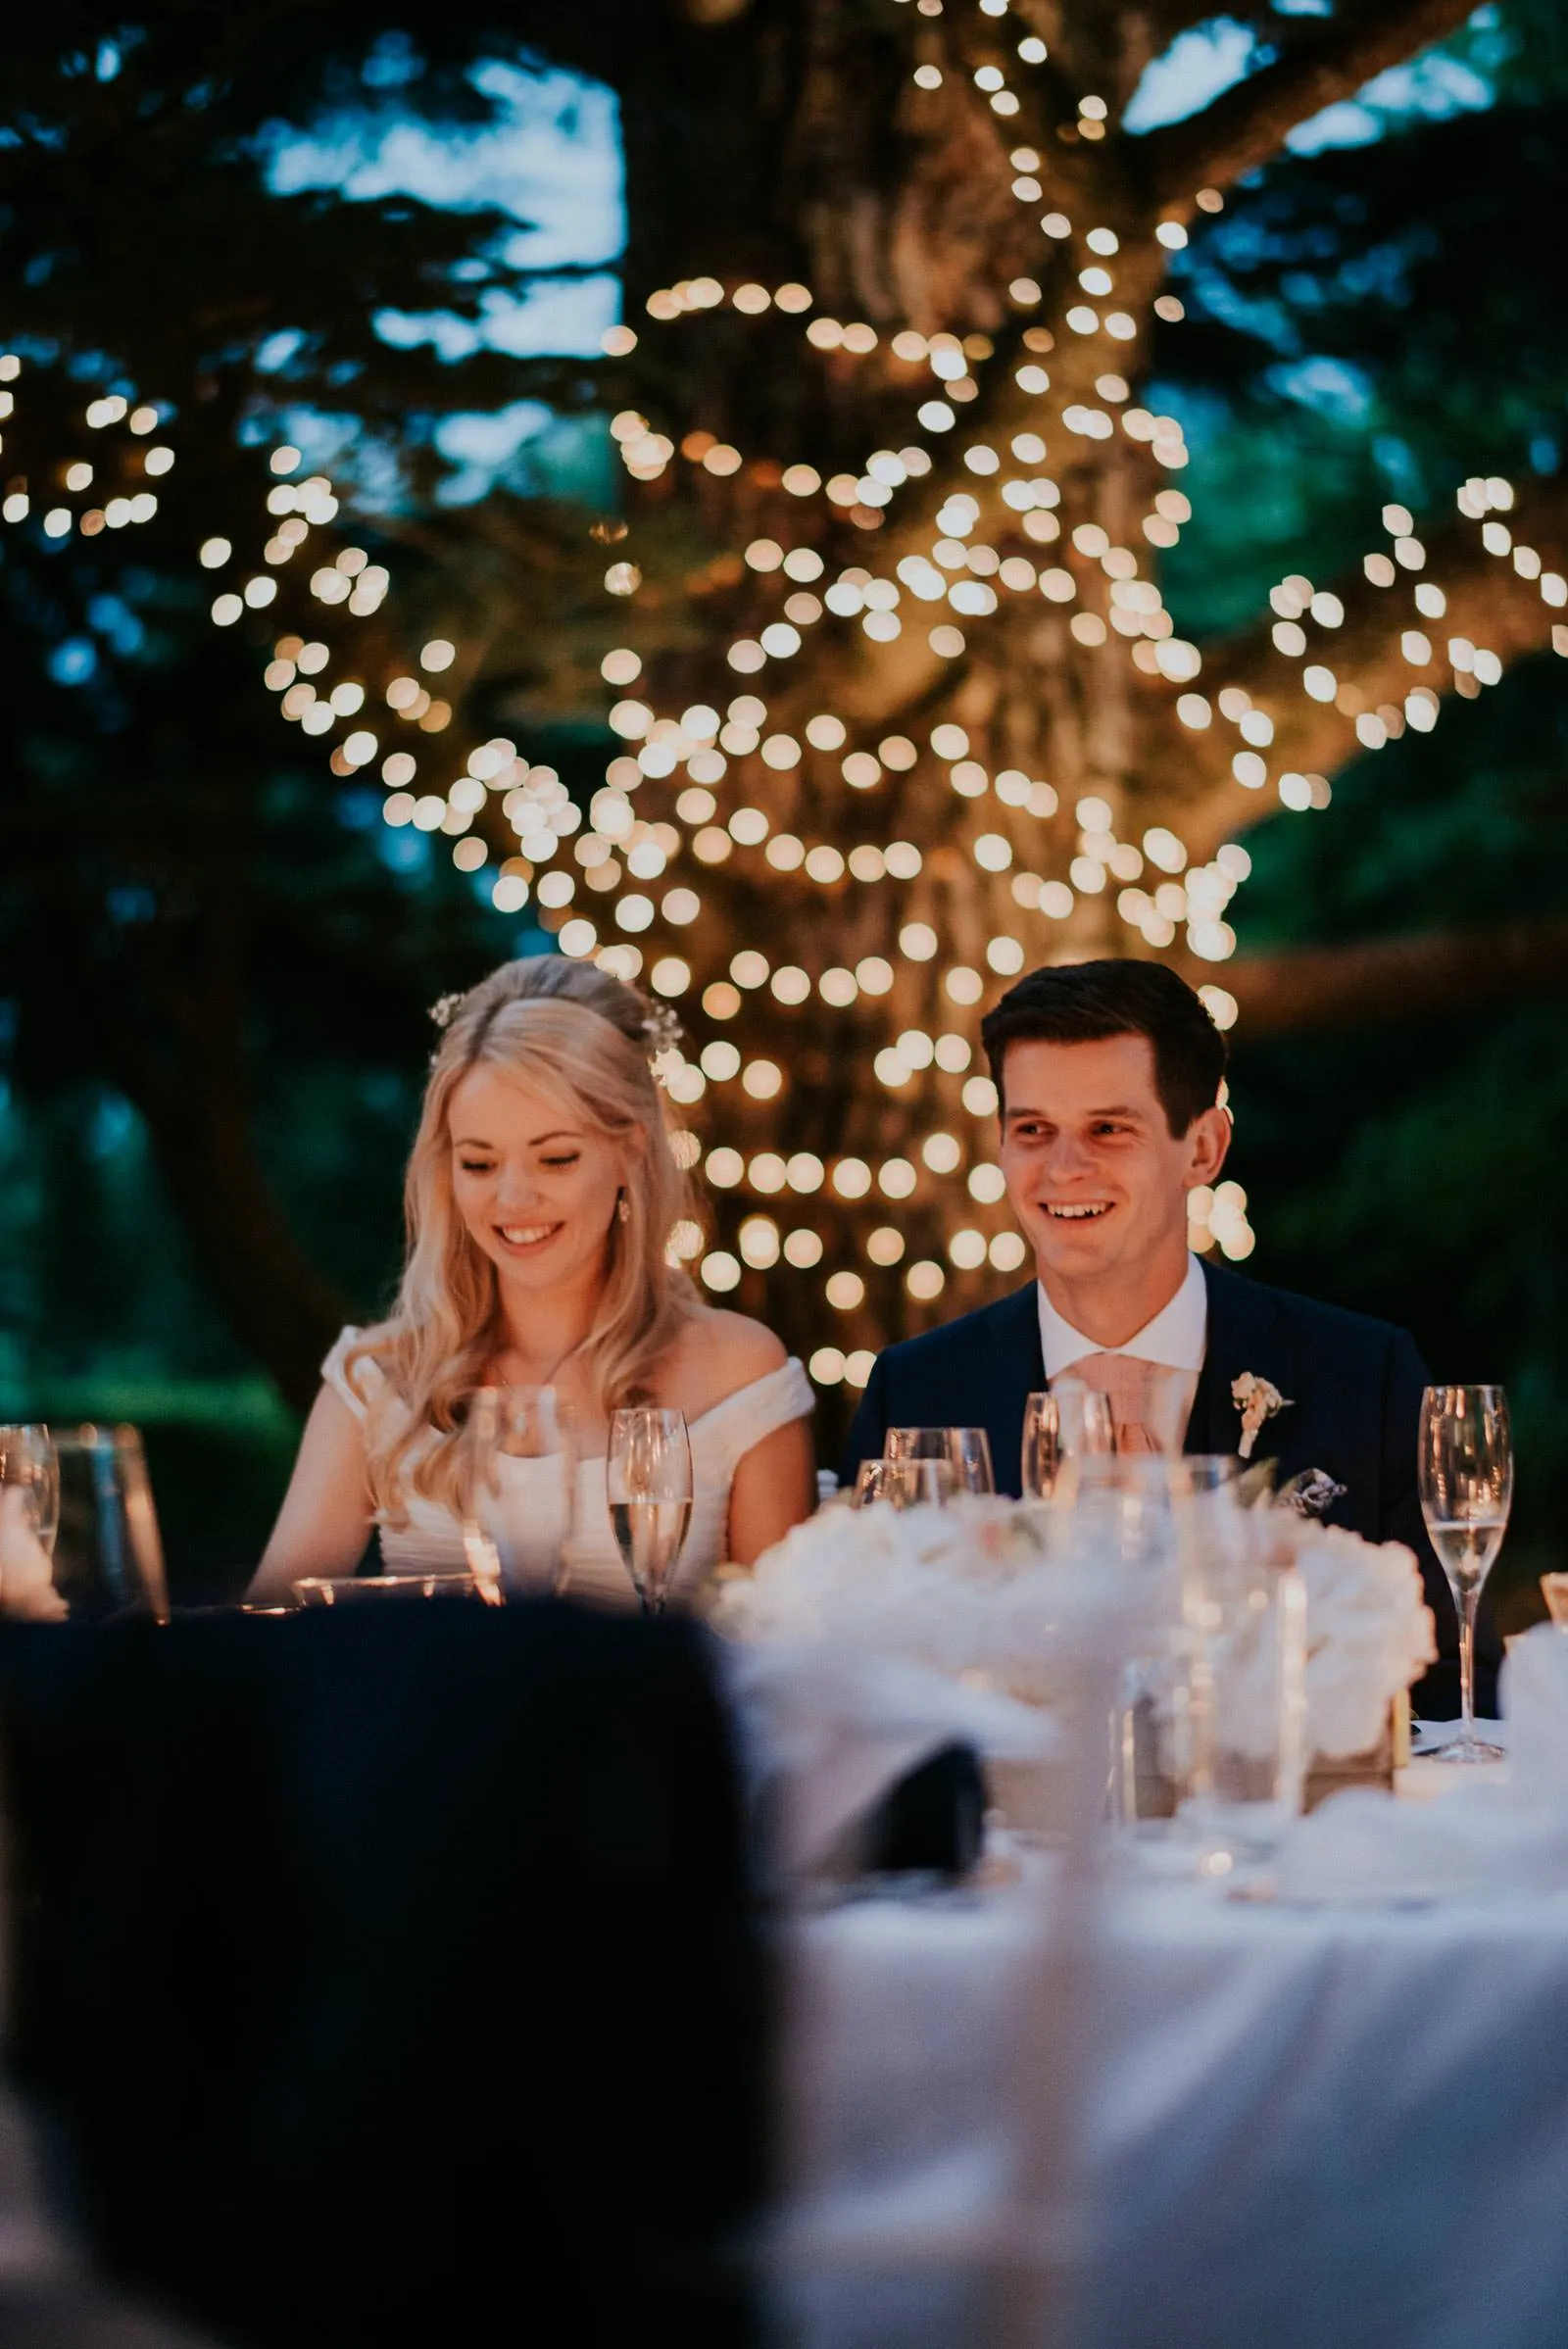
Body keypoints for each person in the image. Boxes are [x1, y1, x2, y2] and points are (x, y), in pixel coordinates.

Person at [844, 957, 1495, 1718]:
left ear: (1204, 1149)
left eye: (1108, 1129)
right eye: (1033, 1130)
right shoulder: (915, 1391)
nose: (1063, 1167)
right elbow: (869, 1689)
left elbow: (1454, 1696)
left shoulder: (1364, 1375)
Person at [250, 956, 815, 1607]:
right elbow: (265, 1634)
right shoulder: (377, 1381)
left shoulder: (739, 1372)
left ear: (631, 1147)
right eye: (480, 1162)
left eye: (555, 1157)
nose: (514, 1198)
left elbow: (787, 1661)